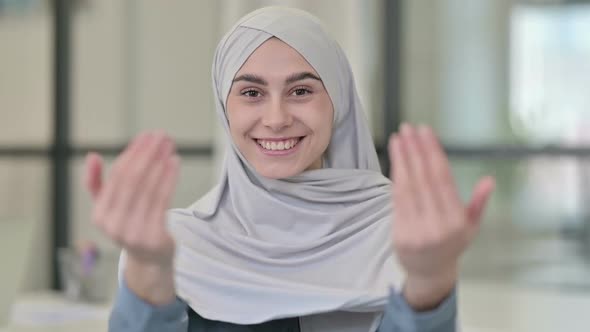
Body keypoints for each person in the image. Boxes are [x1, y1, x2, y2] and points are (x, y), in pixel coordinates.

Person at [84, 7, 495, 332]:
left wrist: (429, 280)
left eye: (301, 91)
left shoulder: (399, 230)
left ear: (338, 101)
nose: (276, 118)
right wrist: (148, 269)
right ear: (224, 108)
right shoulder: (180, 243)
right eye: (251, 92)